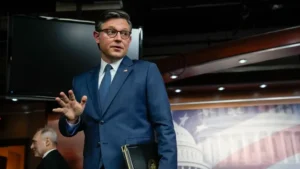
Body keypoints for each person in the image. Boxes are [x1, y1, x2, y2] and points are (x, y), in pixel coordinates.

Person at [53, 9, 177, 169]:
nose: (119, 38)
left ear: (129, 39)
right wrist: (72, 120)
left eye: (124, 33)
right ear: (96, 36)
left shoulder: (146, 71)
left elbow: (164, 126)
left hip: (133, 163)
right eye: (111, 32)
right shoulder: (81, 81)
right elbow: (68, 131)